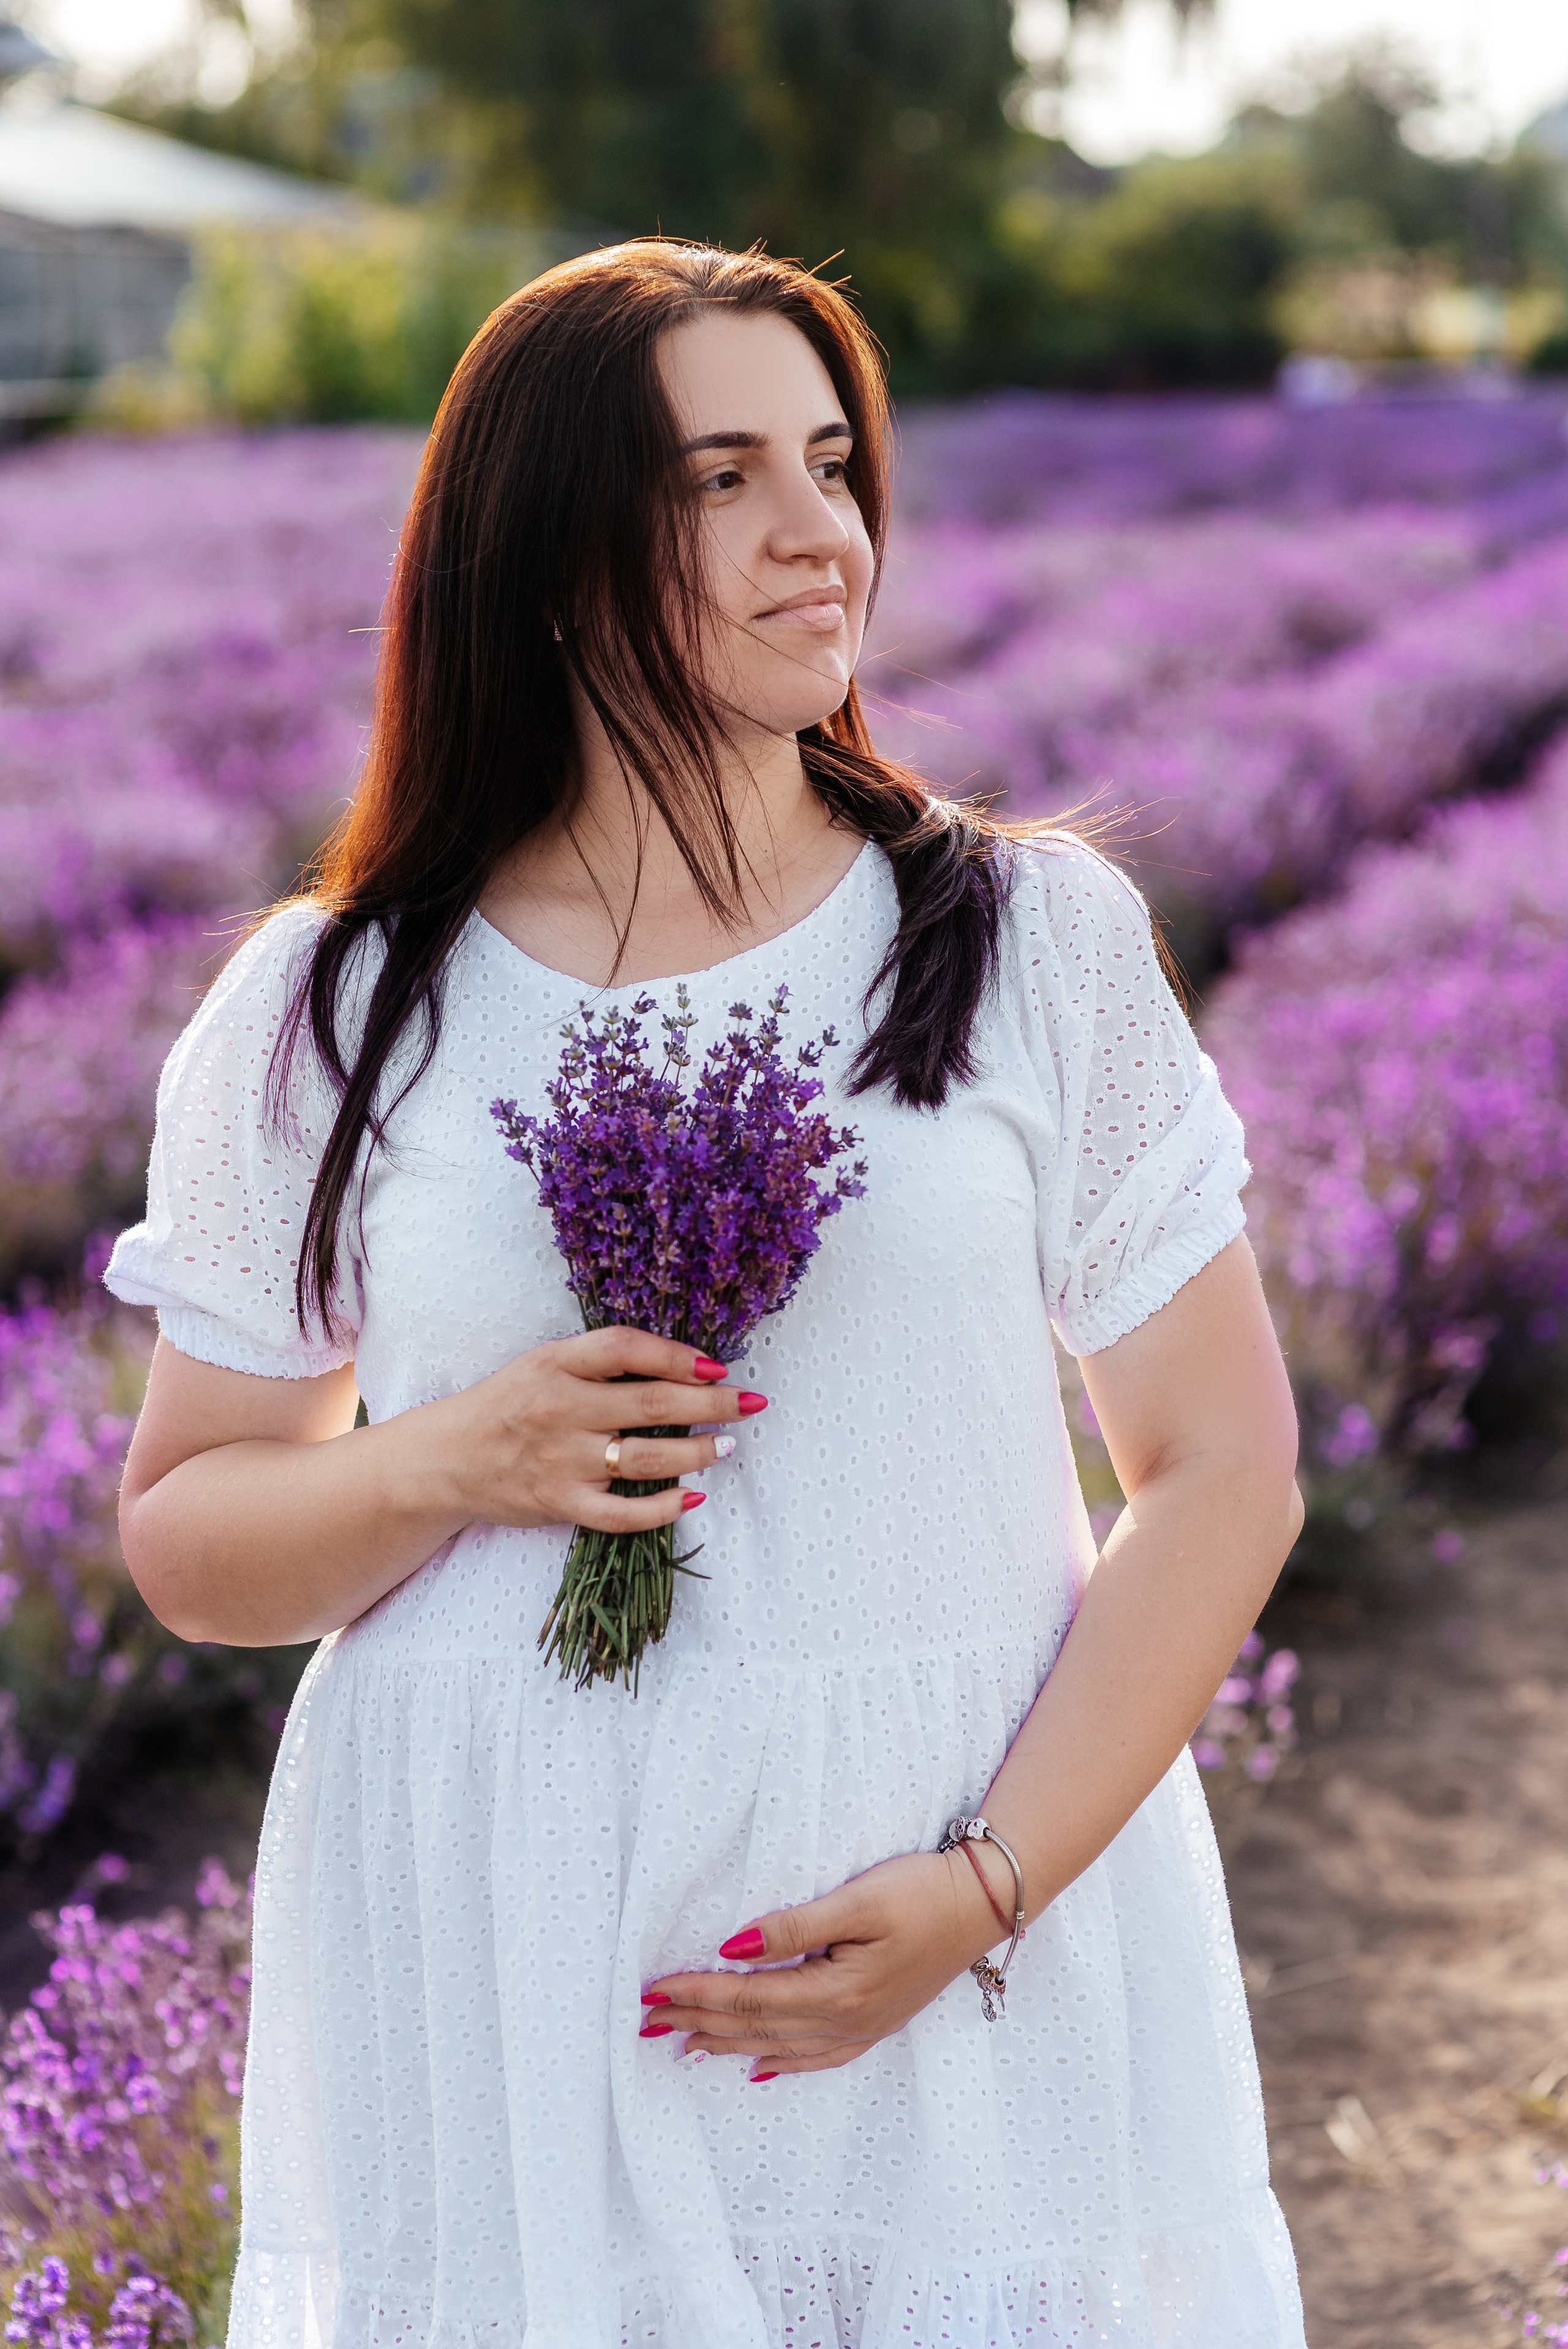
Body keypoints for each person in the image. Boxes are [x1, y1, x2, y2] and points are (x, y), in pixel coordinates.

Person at [107, 240, 1308, 2348]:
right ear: (554, 552)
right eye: (721, 477)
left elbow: (1222, 1469)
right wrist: (456, 1459)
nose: (817, 534)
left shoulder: (1030, 940)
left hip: (947, 1928)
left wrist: (985, 1890)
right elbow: (193, 1538)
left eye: (834, 464)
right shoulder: (335, 1003)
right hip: (498, 1960)